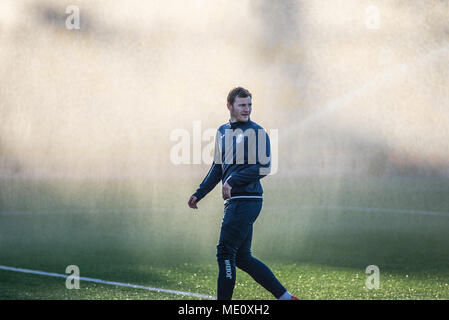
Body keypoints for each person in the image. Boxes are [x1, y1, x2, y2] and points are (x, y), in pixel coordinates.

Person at [187, 87, 298, 300]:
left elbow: (265, 166)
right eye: (242, 105)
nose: (247, 109)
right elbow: (218, 168)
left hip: (247, 200)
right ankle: (286, 297)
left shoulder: (257, 131)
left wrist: (233, 180)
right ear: (230, 106)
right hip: (235, 202)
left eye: (249, 105)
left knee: (225, 253)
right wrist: (199, 193)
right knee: (242, 258)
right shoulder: (222, 131)